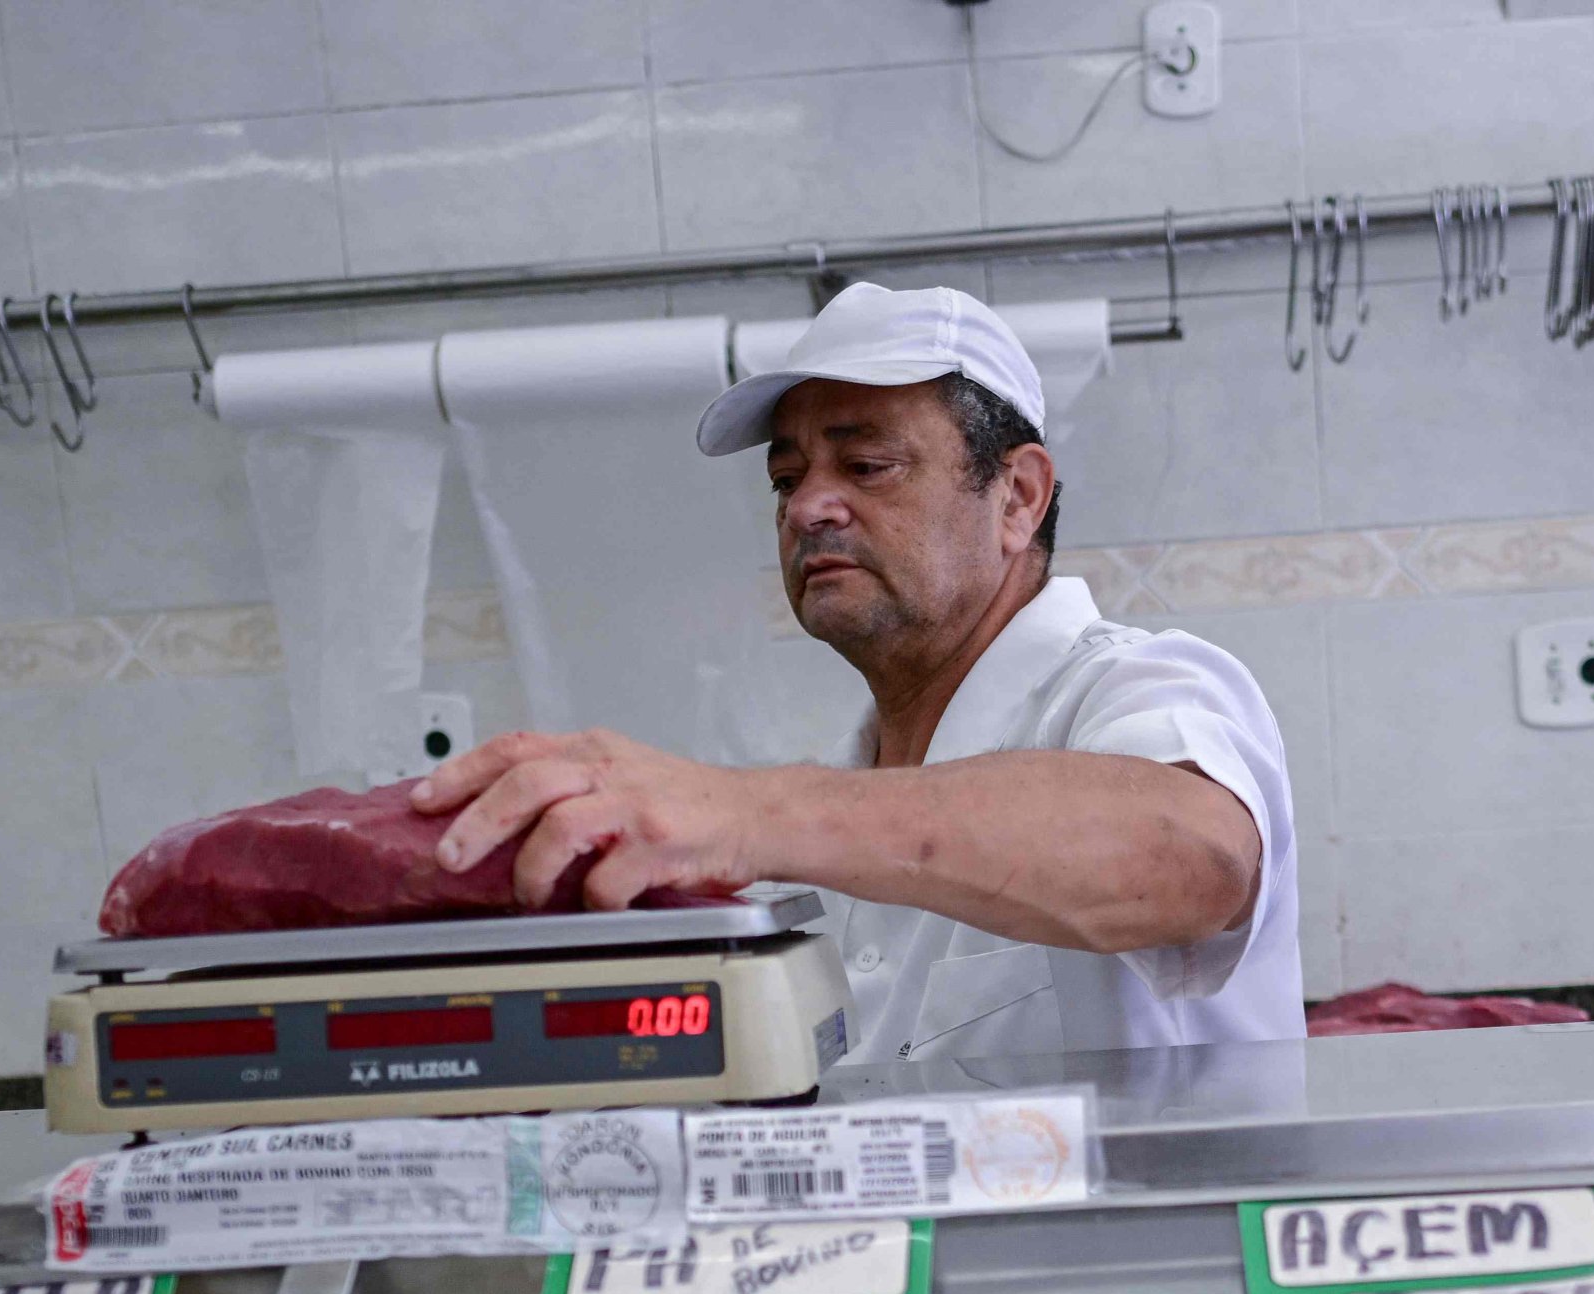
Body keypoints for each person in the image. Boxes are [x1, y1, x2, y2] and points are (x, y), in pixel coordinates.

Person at [408, 282, 1302, 1065]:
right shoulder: (842, 797)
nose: (807, 507)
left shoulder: (1136, 687)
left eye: (868, 466)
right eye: (784, 479)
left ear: (1018, 497)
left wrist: (748, 811)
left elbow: (1196, 859)